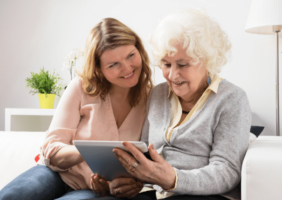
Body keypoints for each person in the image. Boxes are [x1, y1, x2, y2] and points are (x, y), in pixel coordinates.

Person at [93, 9, 252, 200]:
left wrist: (174, 179)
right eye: (166, 64)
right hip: (153, 192)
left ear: (208, 61)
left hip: (204, 194)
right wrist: (130, 180)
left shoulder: (232, 99)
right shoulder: (157, 94)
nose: (173, 75)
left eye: (183, 64)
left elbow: (227, 172)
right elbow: (145, 152)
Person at [0, 18, 153, 200]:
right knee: (11, 196)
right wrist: (89, 151)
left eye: (130, 56)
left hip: (94, 190)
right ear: (98, 68)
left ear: (139, 50)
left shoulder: (151, 99)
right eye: (113, 65)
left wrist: (114, 183)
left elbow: (146, 161)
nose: (127, 68)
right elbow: (52, 150)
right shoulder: (81, 87)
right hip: (56, 174)